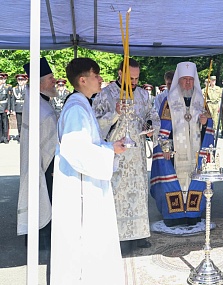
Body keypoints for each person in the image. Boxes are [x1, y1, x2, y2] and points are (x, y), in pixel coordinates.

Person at [50, 57, 126, 285]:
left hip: (86, 180)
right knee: (83, 239)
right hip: (80, 187)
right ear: (82, 80)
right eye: (96, 75)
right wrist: (108, 152)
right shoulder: (76, 108)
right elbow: (76, 150)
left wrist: (110, 147)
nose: (101, 79)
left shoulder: (83, 103)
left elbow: (88, 144)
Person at [92, 58, 160, 251]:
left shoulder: (143, 94)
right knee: (117, 195)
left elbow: (152, 115)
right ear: (120, 74)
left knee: (137, 195)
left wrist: (150, 127)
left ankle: (138, 235)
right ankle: (117, 238)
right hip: (116, 154)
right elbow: (95, 123)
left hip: (136, 155)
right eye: (130, 78)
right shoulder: (106, 94)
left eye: (137, 78)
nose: (134, 82)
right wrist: (114, 113)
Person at [150, 61, 214, 227]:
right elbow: (162, 128)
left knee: (194, 179)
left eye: (191, 79)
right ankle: (174, 216)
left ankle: (193, 213)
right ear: (178, 80)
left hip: (195, 152)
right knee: (174, 182)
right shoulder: (169, 102)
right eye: (184, 79)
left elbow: (209, 128)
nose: (187, 83)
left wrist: (206, 122)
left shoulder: (202, 102)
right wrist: (165, 147)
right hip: (174, 153)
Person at [17, 57, 58, 251]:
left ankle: (43, 238)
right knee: (43, 196)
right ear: (40, 83)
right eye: (50, 78)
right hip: (43, 162)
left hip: (45, 159)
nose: (54, 81)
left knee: (44, 197)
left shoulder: (39, 100)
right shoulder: (37, 106)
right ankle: (41, 240)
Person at [10, 74, 28, 142]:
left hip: (25, 108)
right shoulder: (15, 89)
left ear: (24, 80)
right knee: (19, 123)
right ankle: (20, 137)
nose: (20, 81)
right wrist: (13, 109)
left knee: (26, 123)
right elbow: (12, 100)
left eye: (22, 80)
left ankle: (26, 136)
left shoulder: (28, 89)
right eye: (19, 80)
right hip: (17, 108)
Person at [0, 72, 12, 143]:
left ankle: (5, 138)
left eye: (1, 79)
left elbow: (9, 99)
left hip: (4, 107)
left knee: (5, 123)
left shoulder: (7, 87)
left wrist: (9, 108)